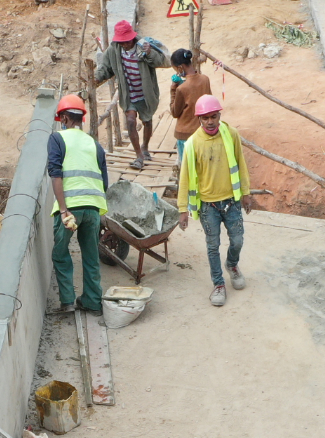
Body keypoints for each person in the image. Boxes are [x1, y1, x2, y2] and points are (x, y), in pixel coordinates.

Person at [178, 95, 254, 308]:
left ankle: (232, 264)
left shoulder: (231, 135)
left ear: (219, 115)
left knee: (237, 240)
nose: (210, 122)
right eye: (205, 118)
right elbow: (184, 177)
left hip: (231, 202)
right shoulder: (192, 143)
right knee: (213, 246)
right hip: (207, 206)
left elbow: (241, 164)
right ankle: (218, 284)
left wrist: (246, 193)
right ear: (199, 119)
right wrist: (183, 208)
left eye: (214, 116)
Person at [46, 93, 107, 315]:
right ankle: (92, 301)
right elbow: (104, 181)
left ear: (63, 119)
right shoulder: (95, 144)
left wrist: (63, 210)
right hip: (92, 208)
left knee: (61, 254)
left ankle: (68, 302)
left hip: (69, 208)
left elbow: (56, 174)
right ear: (81, 119)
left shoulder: (57, 139)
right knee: (91, 256)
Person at [96, 20, 162, 170]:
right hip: (129, 93)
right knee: (131, 121)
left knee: (147, 122)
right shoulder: (114, 50)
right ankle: (139, 156)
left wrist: (150, 52)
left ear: (132, 38)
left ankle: (145, 146)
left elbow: (159, 61)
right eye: (122, 42)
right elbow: (105, 67)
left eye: (127, 41)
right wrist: (97, 77)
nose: (125, 45)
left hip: (145, 93)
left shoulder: (143, 46)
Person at [168, 48, 211, 170]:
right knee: (203, 170)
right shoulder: (205, 79)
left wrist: (173, 90)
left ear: (180, 67)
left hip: (186, 135)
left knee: (189, 172)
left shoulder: (182, 88)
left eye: (176, 69)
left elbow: (175, 112)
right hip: (203, 132)